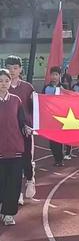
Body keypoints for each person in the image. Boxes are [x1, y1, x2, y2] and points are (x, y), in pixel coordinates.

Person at [0, 69, 30, 226]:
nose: (4, 84)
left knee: (14, 184)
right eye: (1, 81)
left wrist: (26, 127)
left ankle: (9, 213)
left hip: (16, 149)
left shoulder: (16, 100)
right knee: (2, 183)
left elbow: (22, 121)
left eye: (6, 80)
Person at [5, 56, 35, 202]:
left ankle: (30, 180)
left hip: (26, 130)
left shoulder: (28, 87)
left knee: (26, 159)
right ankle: (17, 193)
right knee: (11, 162)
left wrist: (33, 125)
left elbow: (35, 108)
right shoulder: (3, 86)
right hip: (8, 130)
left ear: (20, 69)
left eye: (15, 68)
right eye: (9, 68)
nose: (12, 71)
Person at [43, 67, 67, 166]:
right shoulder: (46, 88)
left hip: (62, 117)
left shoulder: (64, 87)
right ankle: (56, 158)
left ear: (59, 76)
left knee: (59, 139)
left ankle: (60, 159)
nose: (54, 77)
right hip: (50, 117)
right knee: (52, 141)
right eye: (52, 74)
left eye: (56, 75)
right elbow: (42, 100)